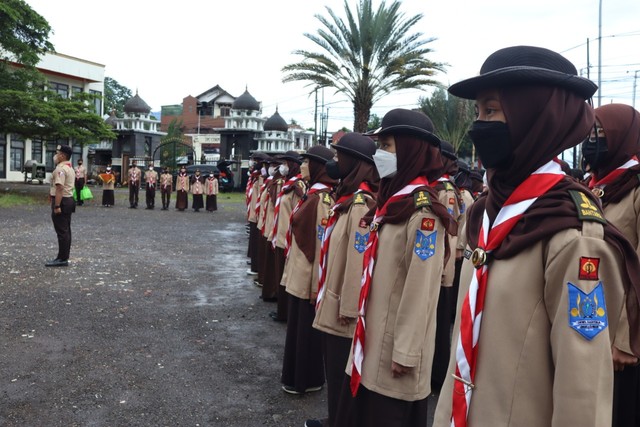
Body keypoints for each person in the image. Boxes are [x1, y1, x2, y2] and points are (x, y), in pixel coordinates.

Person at [433, 45, 640, 427]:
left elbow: (583, 391)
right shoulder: (485, 212)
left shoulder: (573, 234)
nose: (480, 125)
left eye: (491, 110)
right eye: (478, 112)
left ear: (534, 116)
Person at [334, 109, 455, 427]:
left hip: (393, 355)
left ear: (410, 150)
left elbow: (421, 289)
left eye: (387, 146)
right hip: (369, 339)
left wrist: (406, 351)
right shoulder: (390, 203)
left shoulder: (423, 215)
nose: (379, 154)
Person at [307, 133, 379, 427]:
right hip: (334, 299)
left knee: (341, 370)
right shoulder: (347, 197)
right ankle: (334, 417)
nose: (334, 163)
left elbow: (356, 263)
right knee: (334, 370)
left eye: (339, 157)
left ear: (355, 163)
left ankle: (340, 421)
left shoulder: (361, 204)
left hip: (344, 310)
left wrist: (349, 310)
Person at [581, 103, 640, 427]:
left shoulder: (634, 189)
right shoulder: (593, 188)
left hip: (621, 336)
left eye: (601, 134)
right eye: (591, 133)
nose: (594, 142)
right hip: (587, 320)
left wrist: (626, 339)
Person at [280, 145, 336, 395]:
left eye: (306, 162)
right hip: (299, 276)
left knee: (305, 335)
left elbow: (321, 245)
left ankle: (307, 379)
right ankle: (295, 376)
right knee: (296, 332)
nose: (301, 165)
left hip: (308, 281)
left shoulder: (322, 199)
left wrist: (316, 287)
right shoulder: (310, 194)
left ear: (317, 166)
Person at [430, 140, 463, 393]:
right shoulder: (436, 185)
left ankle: (438, 375)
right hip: (438, 258)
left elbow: (448, 226)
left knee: (440, 322)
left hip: (442, 260)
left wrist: (442, 264)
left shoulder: (446, 189)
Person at [269, 151, 305, 322]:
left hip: (288, 239)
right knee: (280, 277)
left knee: (285, 278)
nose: (282, 167)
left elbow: (298, 212)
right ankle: (281, 310)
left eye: (286, 163)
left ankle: (284, 313)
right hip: (280, 236)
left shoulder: (298, 186)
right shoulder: (287, 184)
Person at [46, 144, 76, 267]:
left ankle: (62, 259)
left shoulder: (60, 169)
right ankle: (63, 256)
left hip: (62, 201)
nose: (55, 155)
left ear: (62, 155)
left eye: (57, 153)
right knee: (66, 230)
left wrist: (57, 205)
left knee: (62, 231)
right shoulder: (69, 167)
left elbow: (59, 188)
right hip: (68, 200)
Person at [247, 152, 269, 276]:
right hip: (254, 215)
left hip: (259, 216)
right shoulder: (256, 176)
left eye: (256, 161)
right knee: (255, 242)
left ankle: (257, 267)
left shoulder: (263, 178)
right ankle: (254, 265)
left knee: (258, 243)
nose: (253, 163)